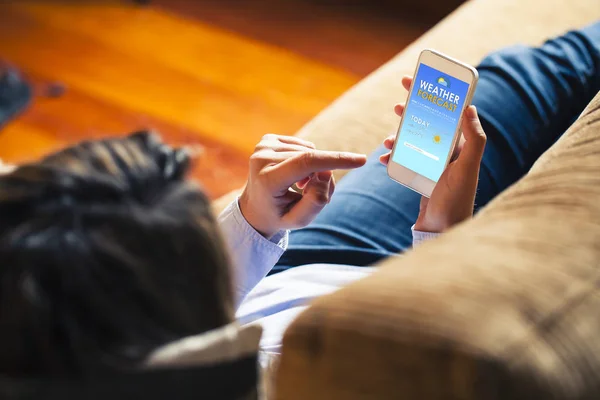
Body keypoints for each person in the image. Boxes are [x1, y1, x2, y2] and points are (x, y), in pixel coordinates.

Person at [0, 22, 598, 378]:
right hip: (391, 296)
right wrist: (441, 234)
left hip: (306, 264)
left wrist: (254, 222)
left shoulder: (51, 324)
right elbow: (413, 364)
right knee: (534, 86)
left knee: (522, 79)